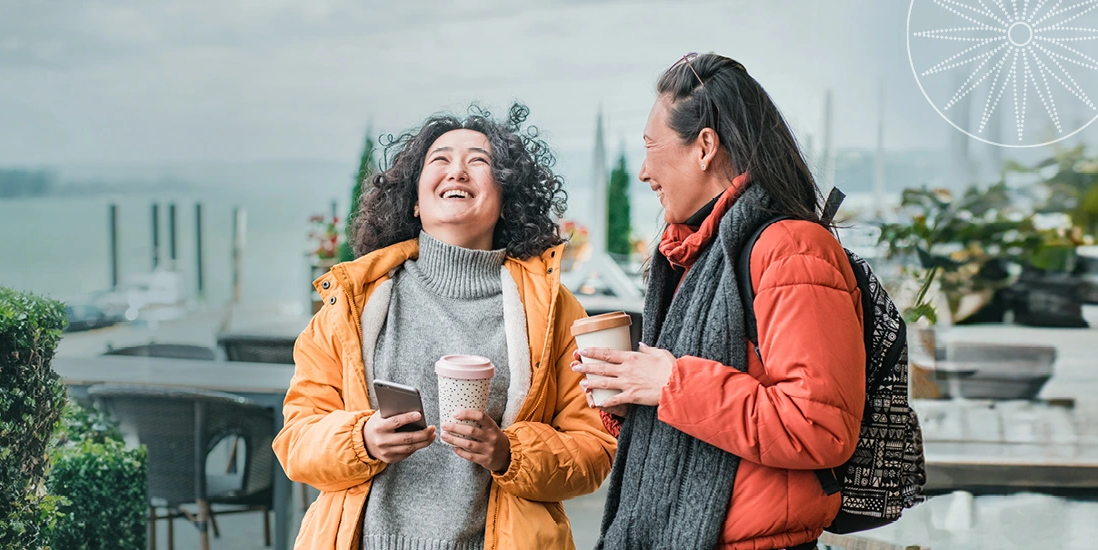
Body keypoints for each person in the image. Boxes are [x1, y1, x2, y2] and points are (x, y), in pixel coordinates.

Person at [273, 103, 616, 550]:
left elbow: (593, 446)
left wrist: (509, 453)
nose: (457, 171)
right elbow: (297, 441)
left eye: (479, 161)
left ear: (507, 199)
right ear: (414, 201)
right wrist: (362, 439)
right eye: (440, 160)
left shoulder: (554, 311)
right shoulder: (352, 303)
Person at [577, 52, 867, 550]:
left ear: (705, 145)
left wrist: (670, 384)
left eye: (651, 147)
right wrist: (635, 399)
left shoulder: (791, 249)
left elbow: (819, 426)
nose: (644, 172)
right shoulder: (693, 254)